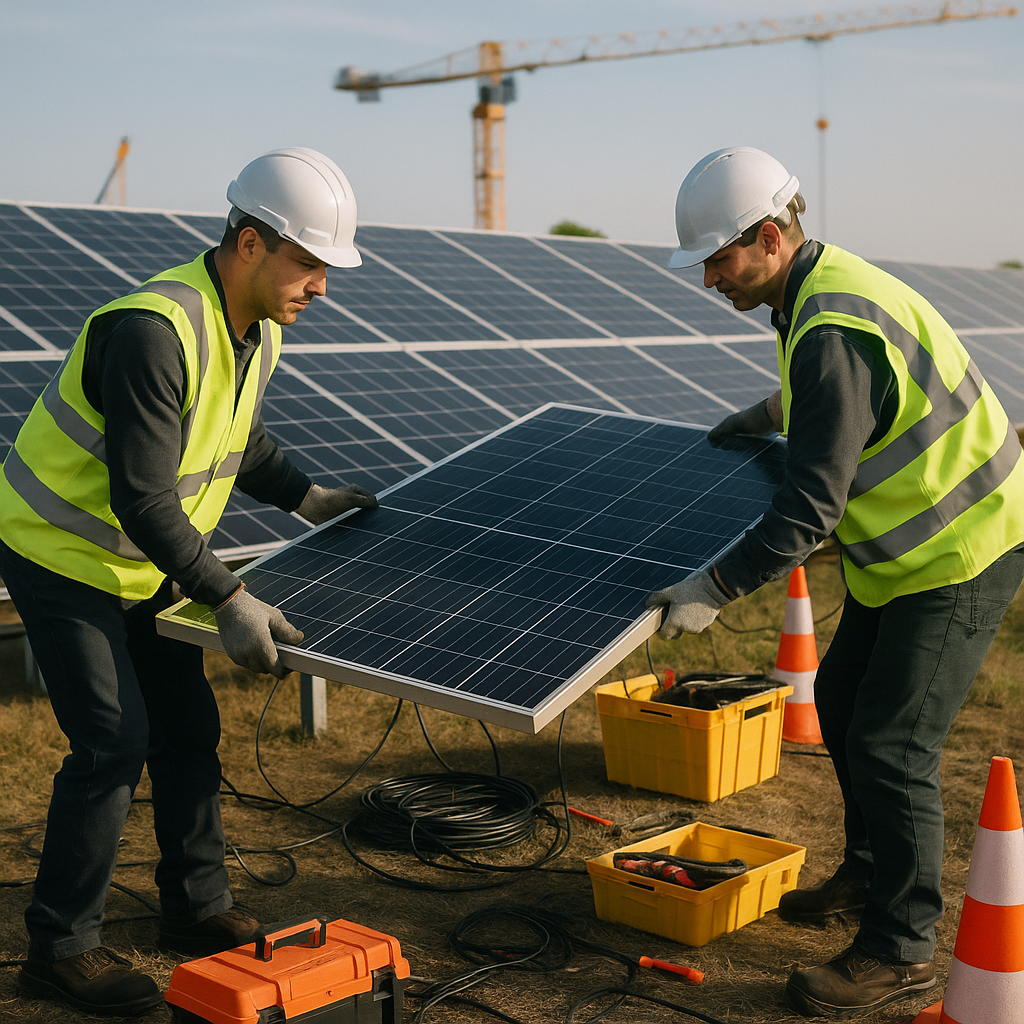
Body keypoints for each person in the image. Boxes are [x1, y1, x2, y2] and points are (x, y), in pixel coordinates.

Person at [645, 146, 1024, 1019]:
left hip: (963, 551)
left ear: (770, 237)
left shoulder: (829, 326)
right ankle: (870, 871)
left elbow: (810, 510)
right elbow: (858, 393)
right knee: (848, 713)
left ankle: (902, 947)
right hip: (909, 557)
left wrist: (712, 585)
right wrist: (781, 410)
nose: (709, 279)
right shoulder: (814, 291)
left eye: (719, 258)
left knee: (893, 745)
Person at [0, 148, 379, 1017]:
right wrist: (231, 597)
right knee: (113, 742)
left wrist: (306, 496)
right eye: (311, 263)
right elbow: (141, 494)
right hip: (58, 552)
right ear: (250, 242)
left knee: (187, 724)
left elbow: (234, 438)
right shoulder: (153, 331)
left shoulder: (255, 327)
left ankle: (196, 907)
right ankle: (57, 949)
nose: (322, 286)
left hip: (137, 562)